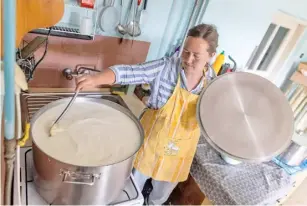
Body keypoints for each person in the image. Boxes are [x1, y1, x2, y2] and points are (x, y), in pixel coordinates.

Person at [76, 24, 219, 205]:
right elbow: (128, 72)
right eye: (186, 52)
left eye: (196, 56)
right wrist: (96, 79)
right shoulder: (165, 67)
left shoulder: (213, 83)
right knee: (129, 190)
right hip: (150, 145)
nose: (188, 59)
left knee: (159, 197)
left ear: (211, 56)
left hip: (178, 153)